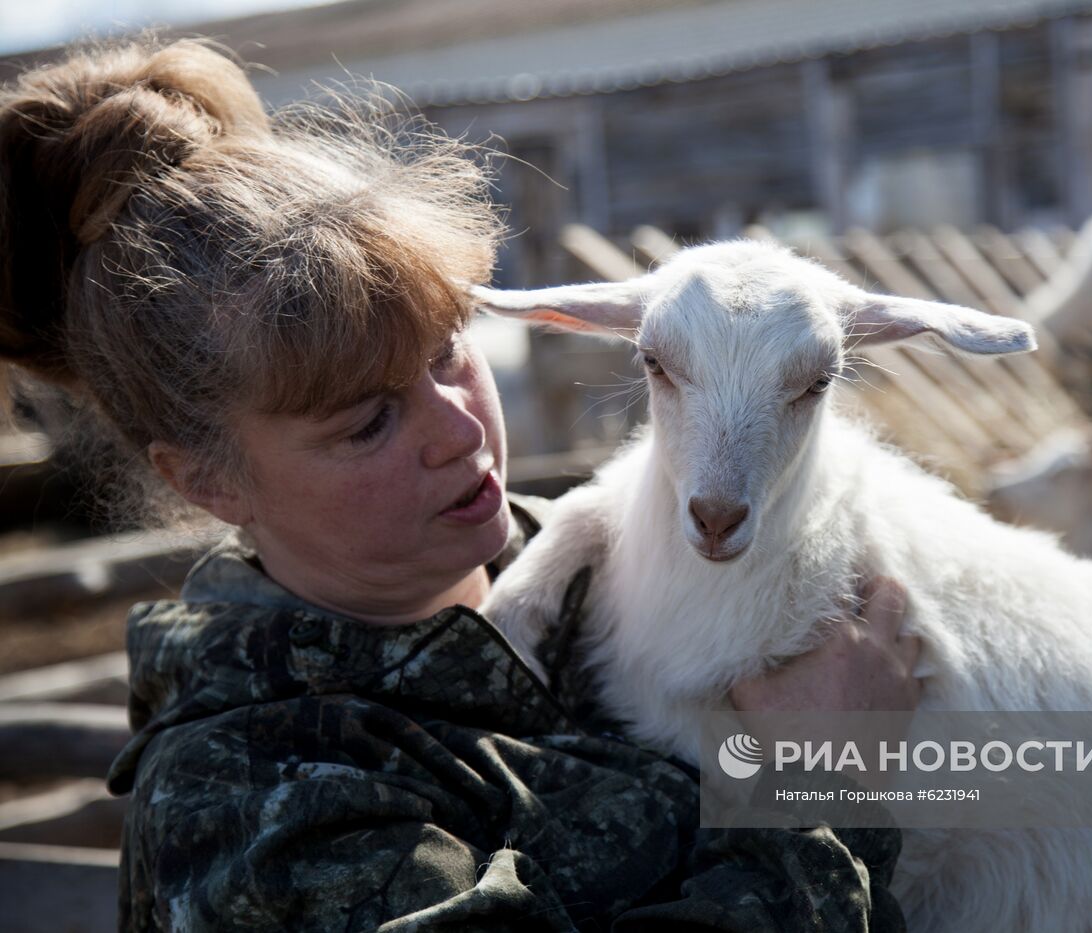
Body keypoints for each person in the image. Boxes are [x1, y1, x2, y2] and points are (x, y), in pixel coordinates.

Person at [0, 39, 922, 931]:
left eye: (447, 352)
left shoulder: (611, 566)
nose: (461, 429)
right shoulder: (256, 805)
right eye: (367, 422)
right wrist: (821, 784)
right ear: (208, 479)